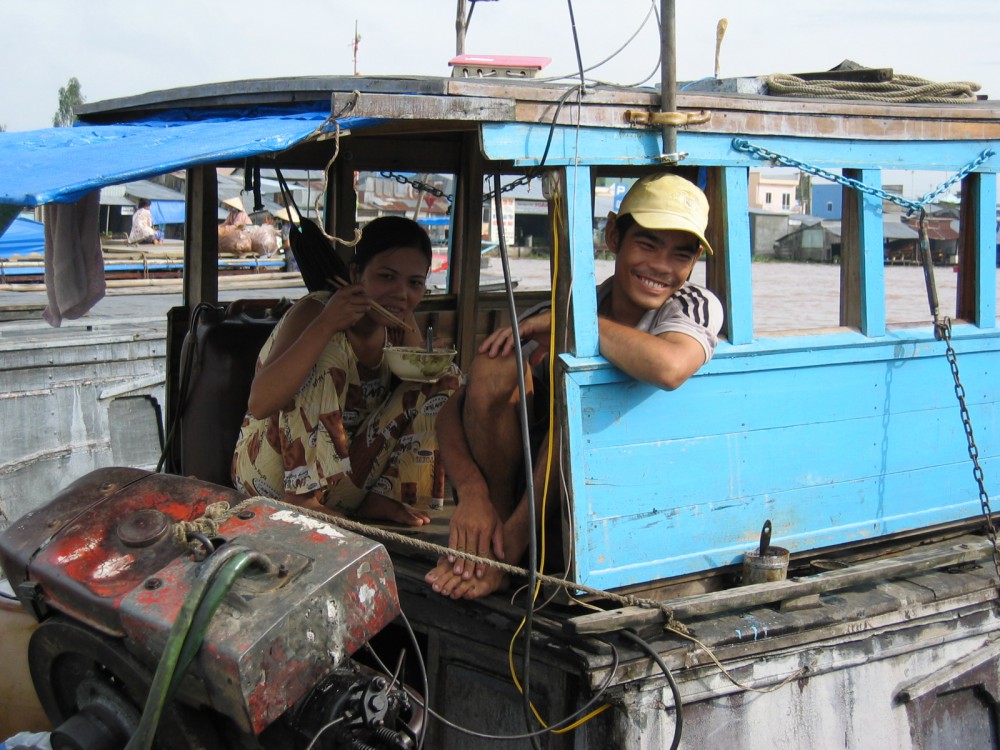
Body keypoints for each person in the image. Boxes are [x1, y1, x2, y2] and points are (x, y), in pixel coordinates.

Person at [425, 173, 724, 599]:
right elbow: (454, 410)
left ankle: (507, 550)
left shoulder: (691, 305)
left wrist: (572, 326)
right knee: (495, 364)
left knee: (581, 404)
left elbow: (670, 367)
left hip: (610, 500)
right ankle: (493, 543)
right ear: (614, 235)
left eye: (682, 254)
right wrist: (473, 494)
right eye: (648, 244)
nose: (662, 266)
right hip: (526, 494)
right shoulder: (567, 307)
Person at [231, 215, 460, 525]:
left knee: (445, 376)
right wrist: (326, 324)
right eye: (387, 277)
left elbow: (419, 396)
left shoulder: (400, 325)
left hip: (346, 479)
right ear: (356, 274)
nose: (401, 293)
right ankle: (303, 498)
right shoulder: (315, 310)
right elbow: (259, 404)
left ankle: (383, 497)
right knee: (328, 348)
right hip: (273, 478)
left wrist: (433, 361)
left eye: (415, 283)